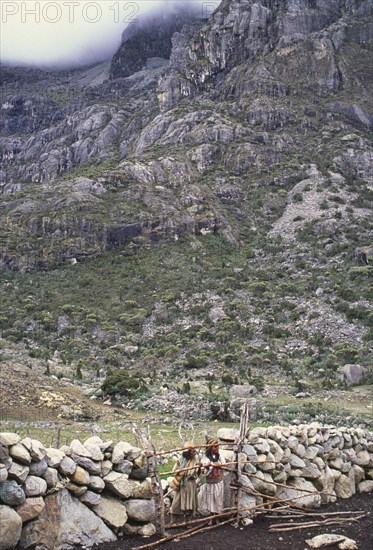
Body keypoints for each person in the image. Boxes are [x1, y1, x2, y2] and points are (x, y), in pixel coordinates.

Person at [170, 442, 200, 521]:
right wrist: (181, 472)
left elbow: (197, 473)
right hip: (182, 484)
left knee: (190, 503)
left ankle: (188, 521)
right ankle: (173, 520)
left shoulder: (196, 459)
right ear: (188, 452)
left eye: (195, 451)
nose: (195, 453)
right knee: (176, 502)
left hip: (191, 484)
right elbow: (174, 470)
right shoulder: (181, 459)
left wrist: (199, 467)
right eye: (192, 451)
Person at [198, 437, 226, 521]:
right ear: (210, 447)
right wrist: (207, 466)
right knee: (210, 500)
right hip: (210, 483)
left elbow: (224, 464)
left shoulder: (220, 456)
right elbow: (203, 470)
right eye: (215, 447)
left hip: (218, 482)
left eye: (217, 446)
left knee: (217, 499)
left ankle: (216, 517)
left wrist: (220, 464)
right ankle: (211, 518)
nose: (217, 448)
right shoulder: (205, 458)